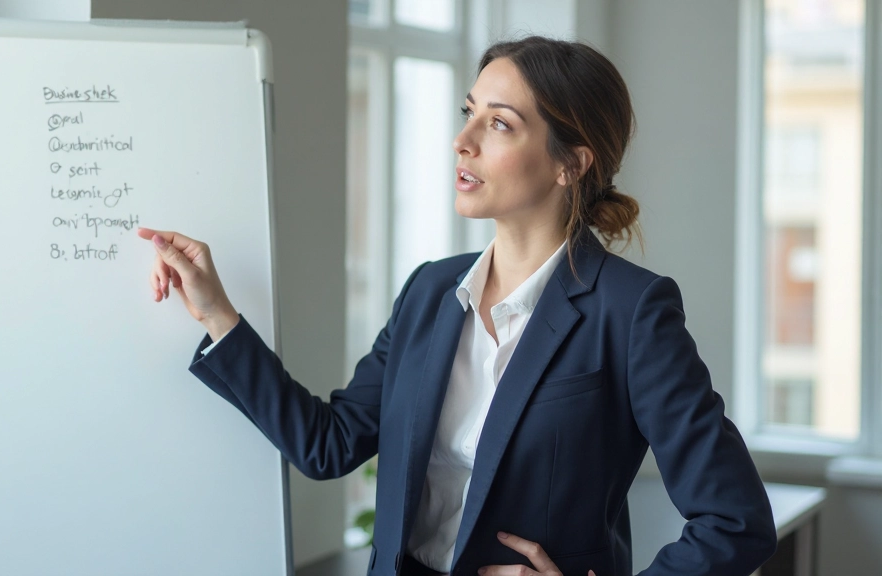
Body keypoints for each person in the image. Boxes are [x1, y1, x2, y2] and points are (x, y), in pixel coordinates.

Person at [137, 36, 776, 576]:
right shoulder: (429, 292)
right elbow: (327, 444)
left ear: (570, 164)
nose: (461, 140)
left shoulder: (631, 310)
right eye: (469, 112)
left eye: (499, 123)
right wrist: (218, 314)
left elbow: (735, 520)